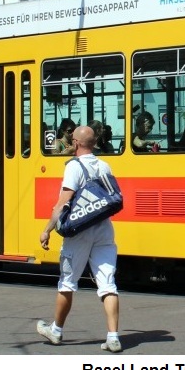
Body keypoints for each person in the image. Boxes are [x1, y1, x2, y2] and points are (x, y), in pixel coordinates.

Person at [36, 125, 122, 353]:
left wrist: (47, 230)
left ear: (75, 143)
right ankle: (113, 337)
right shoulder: (104, 165)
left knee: (67, 282)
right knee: (108, 284)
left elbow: (62, 203)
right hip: (104, 230)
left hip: (79, 233)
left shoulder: (74, 167)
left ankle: (56, 330)